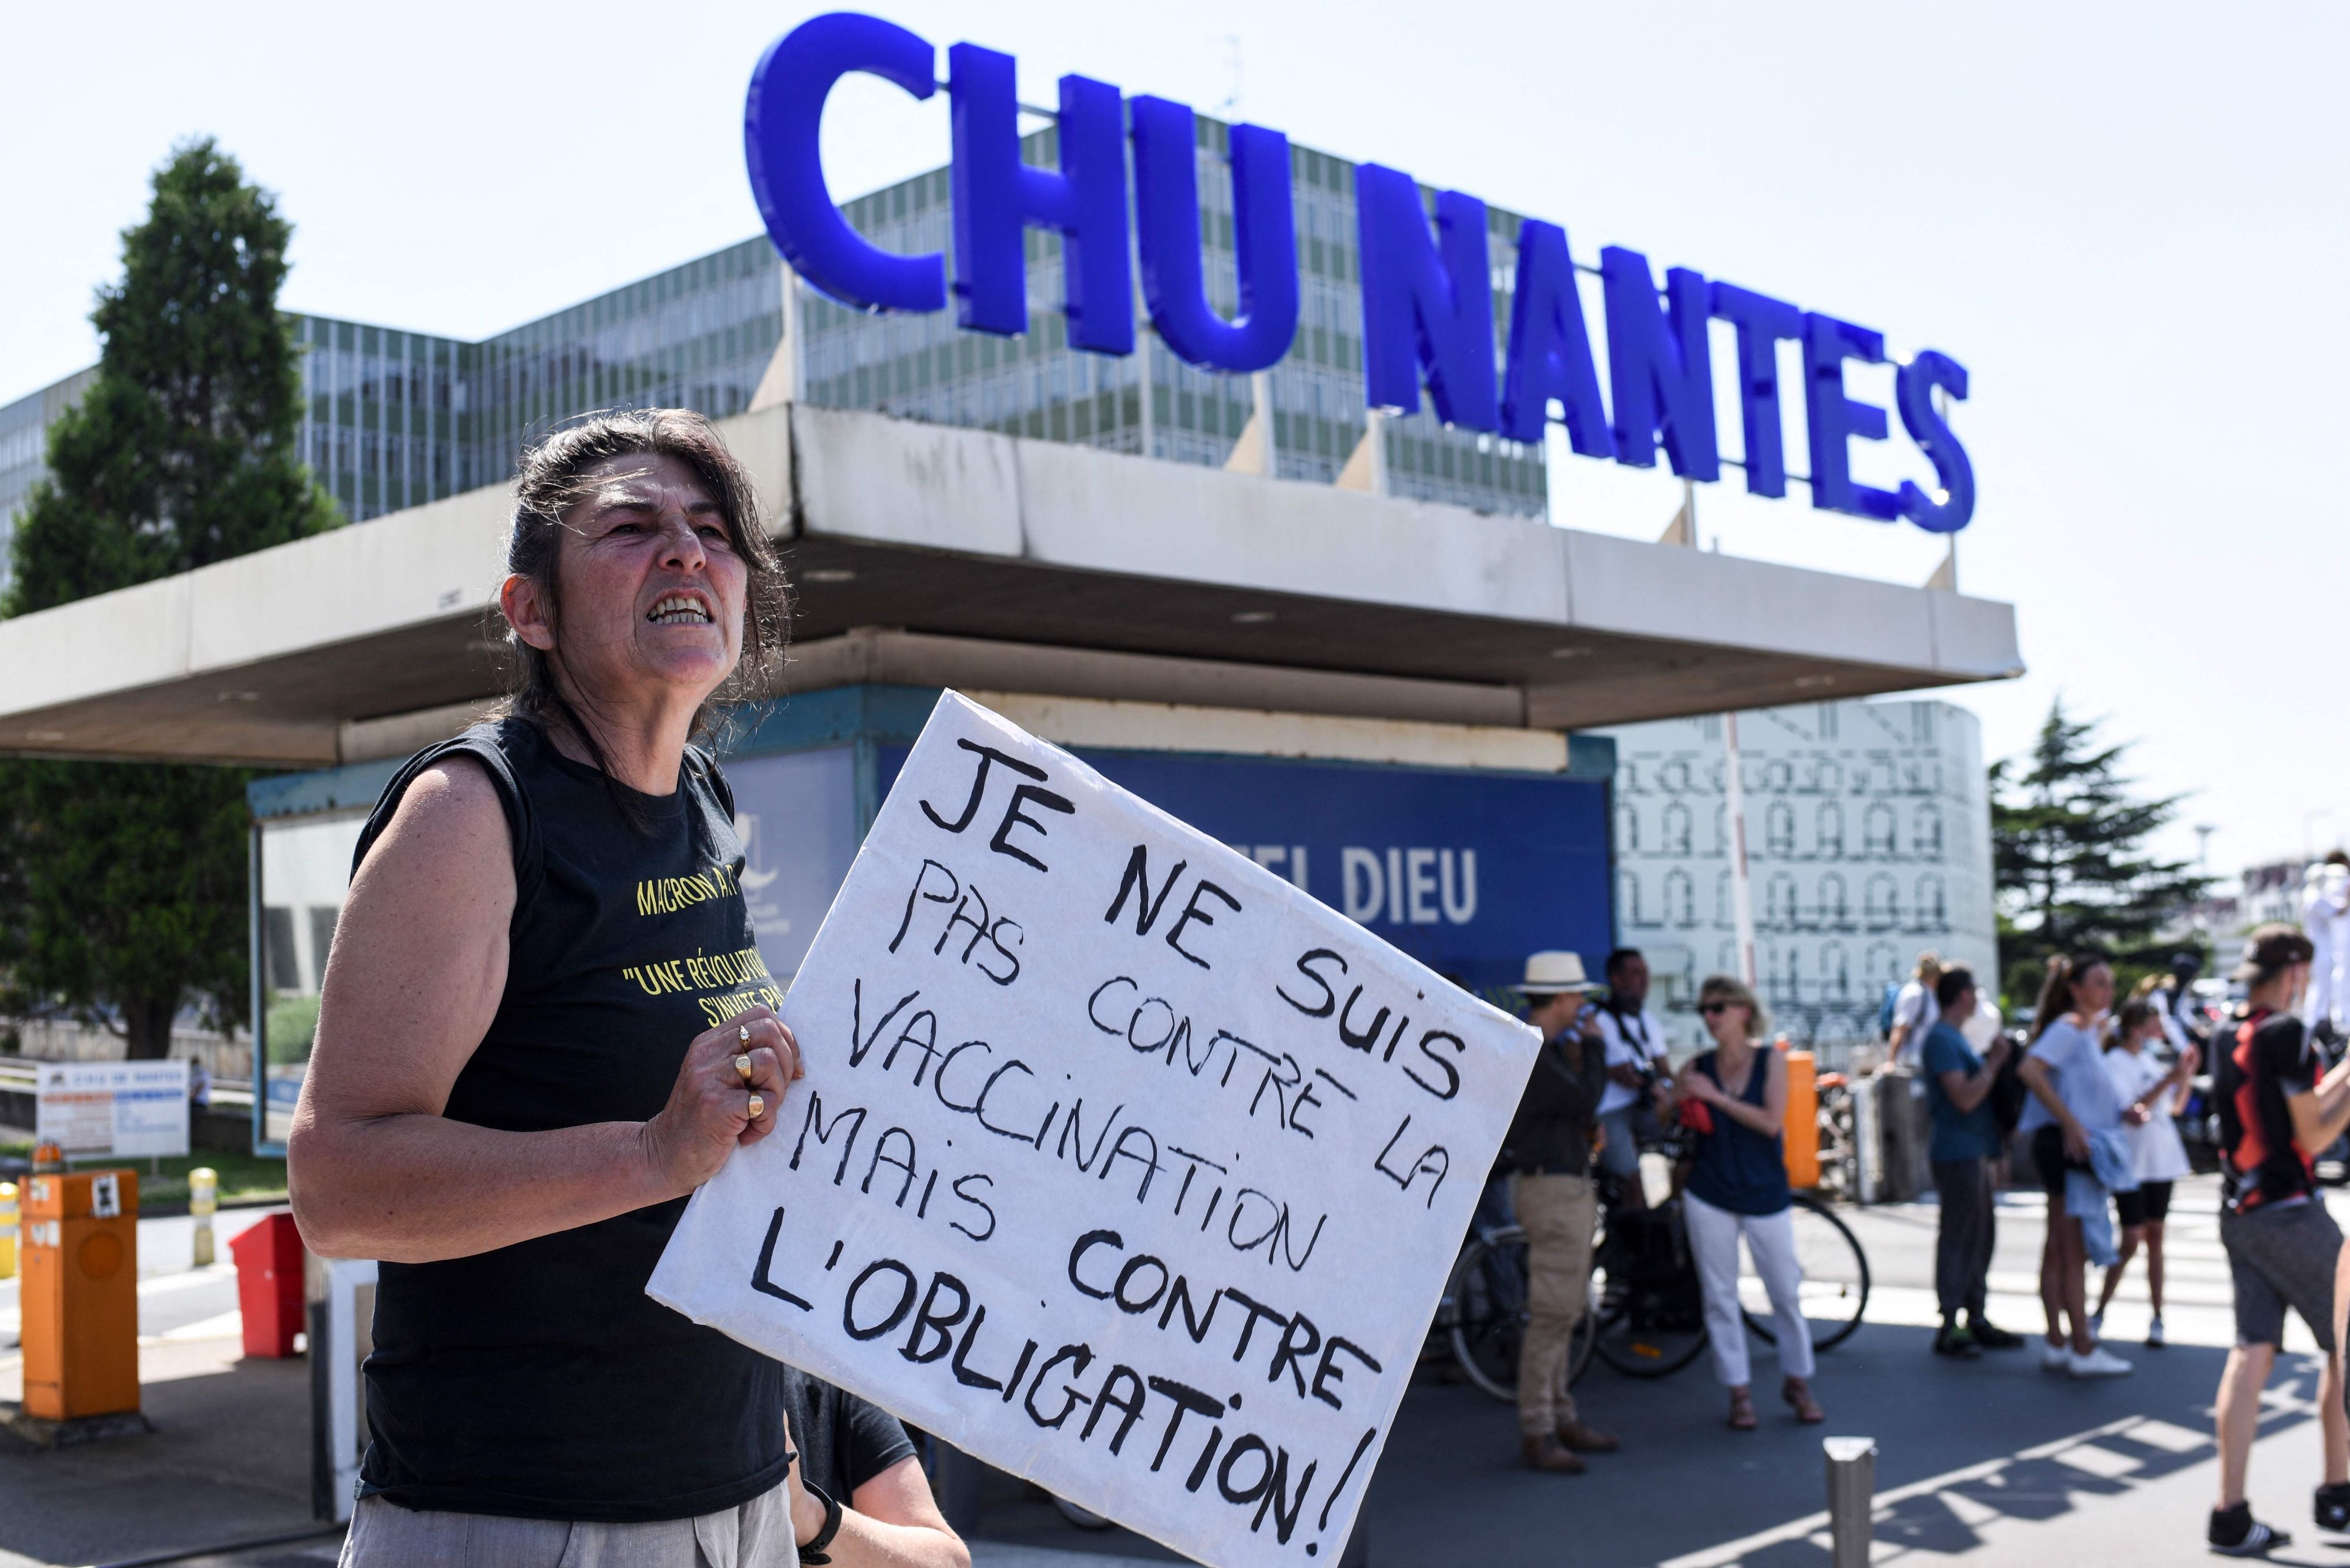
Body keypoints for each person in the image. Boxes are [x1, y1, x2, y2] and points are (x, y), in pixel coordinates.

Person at [288, 411, 966, 1568]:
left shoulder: (700, 797)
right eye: (631, 527)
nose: (687, 551)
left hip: (737, 1506)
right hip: (521, 1520)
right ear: (531, 610)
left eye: (712, 530)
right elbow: (338, 1183)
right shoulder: (470, 811)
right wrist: (654, 1150)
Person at [2208, 925, 2350, 1556]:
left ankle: (2230, 1513)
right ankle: (2337, 1493)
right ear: (2294, 969)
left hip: (2238, 1209)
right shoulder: (2286, 1033)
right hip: (2289, 1210)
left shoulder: (2225, 1029)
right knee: (2343, 1343)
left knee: (2251, 1351)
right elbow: (2315, 1136)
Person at [1671, 975, 1822, 1431]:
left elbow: (1771, 1122)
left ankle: (1798, 1379)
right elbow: (1666, 1107)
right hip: (1711, 1189)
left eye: (1717, 1007)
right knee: (1719, 1296)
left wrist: (1713, 1097)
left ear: (1742, 1010)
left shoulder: (1770, 1062)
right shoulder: (1698, 1064)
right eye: (1704, 1010)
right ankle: (1738, 1390)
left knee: (1784, 1291)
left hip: (1764, 1191)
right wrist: (1676, 1095)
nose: (1710, 1018)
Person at [1499, 951, 1620, 1475]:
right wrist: (1595, 1049)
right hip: (1553, 1189)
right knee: (1553, 1314)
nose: (1582, 1008)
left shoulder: (1535, 1048)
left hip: (1552, 1185)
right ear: (1565, 997)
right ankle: (1539, 1426)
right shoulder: (1535, 1051)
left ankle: (1558, 1416)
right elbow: (1584, 1098)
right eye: (1578, 997)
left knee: (1563, 1310)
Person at [2015, 953, 2134, 1378]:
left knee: (2059, 1247)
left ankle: (2058, 1340)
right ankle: (2081, 1344)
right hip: (2067, 1146)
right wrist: (2072, 1124)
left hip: (2068, 1142)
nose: (2108, 991)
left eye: (2110, 983)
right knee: (2070, 1249)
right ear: (2076, 988)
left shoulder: (2087, 1029)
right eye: (2100, 983)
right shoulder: (2070, 1027)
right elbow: (2030, 1070)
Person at [1919, 966, 2022, 1358]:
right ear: (1962, 995)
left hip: (1973, 1149)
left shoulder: (1952, 1038)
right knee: (1961, 1235)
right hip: (1956, 1150)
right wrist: (1994, 1064)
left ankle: (1974, 1315)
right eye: (1974, 991)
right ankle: (1950, 1322)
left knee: (1979, 1235)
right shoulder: (1942, 1040)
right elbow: (1963, 1097)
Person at [2089, 995, 2195, 1348]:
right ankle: (2100, 1310)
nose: (2160, 1029)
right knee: (2132, 1239)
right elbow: (2132, 1113)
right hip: (2131, 1163)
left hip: (2161, 1160)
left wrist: (2185, 1076)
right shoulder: (2114, 1062)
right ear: (2138, 1028)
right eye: (2154, 1022)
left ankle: (2157, 1316)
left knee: (2156, 1239)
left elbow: (2175, 1108)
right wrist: (2170, 1079)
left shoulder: (2148, 1059)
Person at [1593, 947, 1671, 1212]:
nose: (1644, 980)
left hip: (1642, 1107)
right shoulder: (1600, 1019)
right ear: (1616, 978)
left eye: (1645, 973)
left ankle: (1672, 1212)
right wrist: (1651, 1083)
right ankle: (1637, 1236)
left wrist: (1669, 1089)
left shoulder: (1649, 1021)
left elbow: (1664, 1069)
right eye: (1635, 973)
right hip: (1610, 1110)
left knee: (1692, 1137)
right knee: (1631, 1181)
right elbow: (1623, 1074)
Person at [1888, 951, 1942, 1065]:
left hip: (1925, 1061)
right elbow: (1900, 1029)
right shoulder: (1914, 994)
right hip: (1910, 1062)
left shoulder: (1929, 993)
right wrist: (1892, 1062)